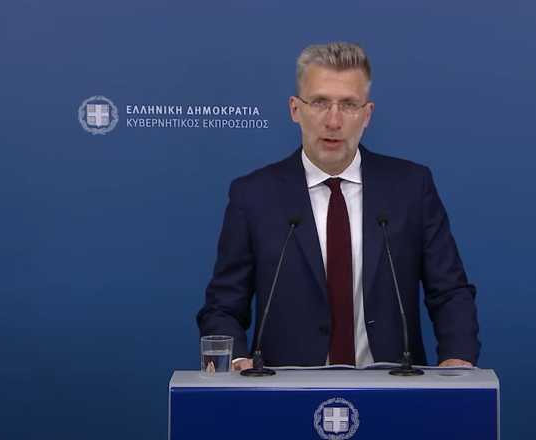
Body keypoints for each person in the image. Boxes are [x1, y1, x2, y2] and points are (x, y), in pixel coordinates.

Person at [196, 42, 481, 370]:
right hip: (286, 389)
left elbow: (450, 292)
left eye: (348, 104)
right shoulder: (254, 196)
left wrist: (457, 359)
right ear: (295, 109)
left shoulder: (411, 187)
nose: (333, 121)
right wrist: (234, 360)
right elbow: (223, 306)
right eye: (319, 102)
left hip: (394, 388)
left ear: (367, 114)